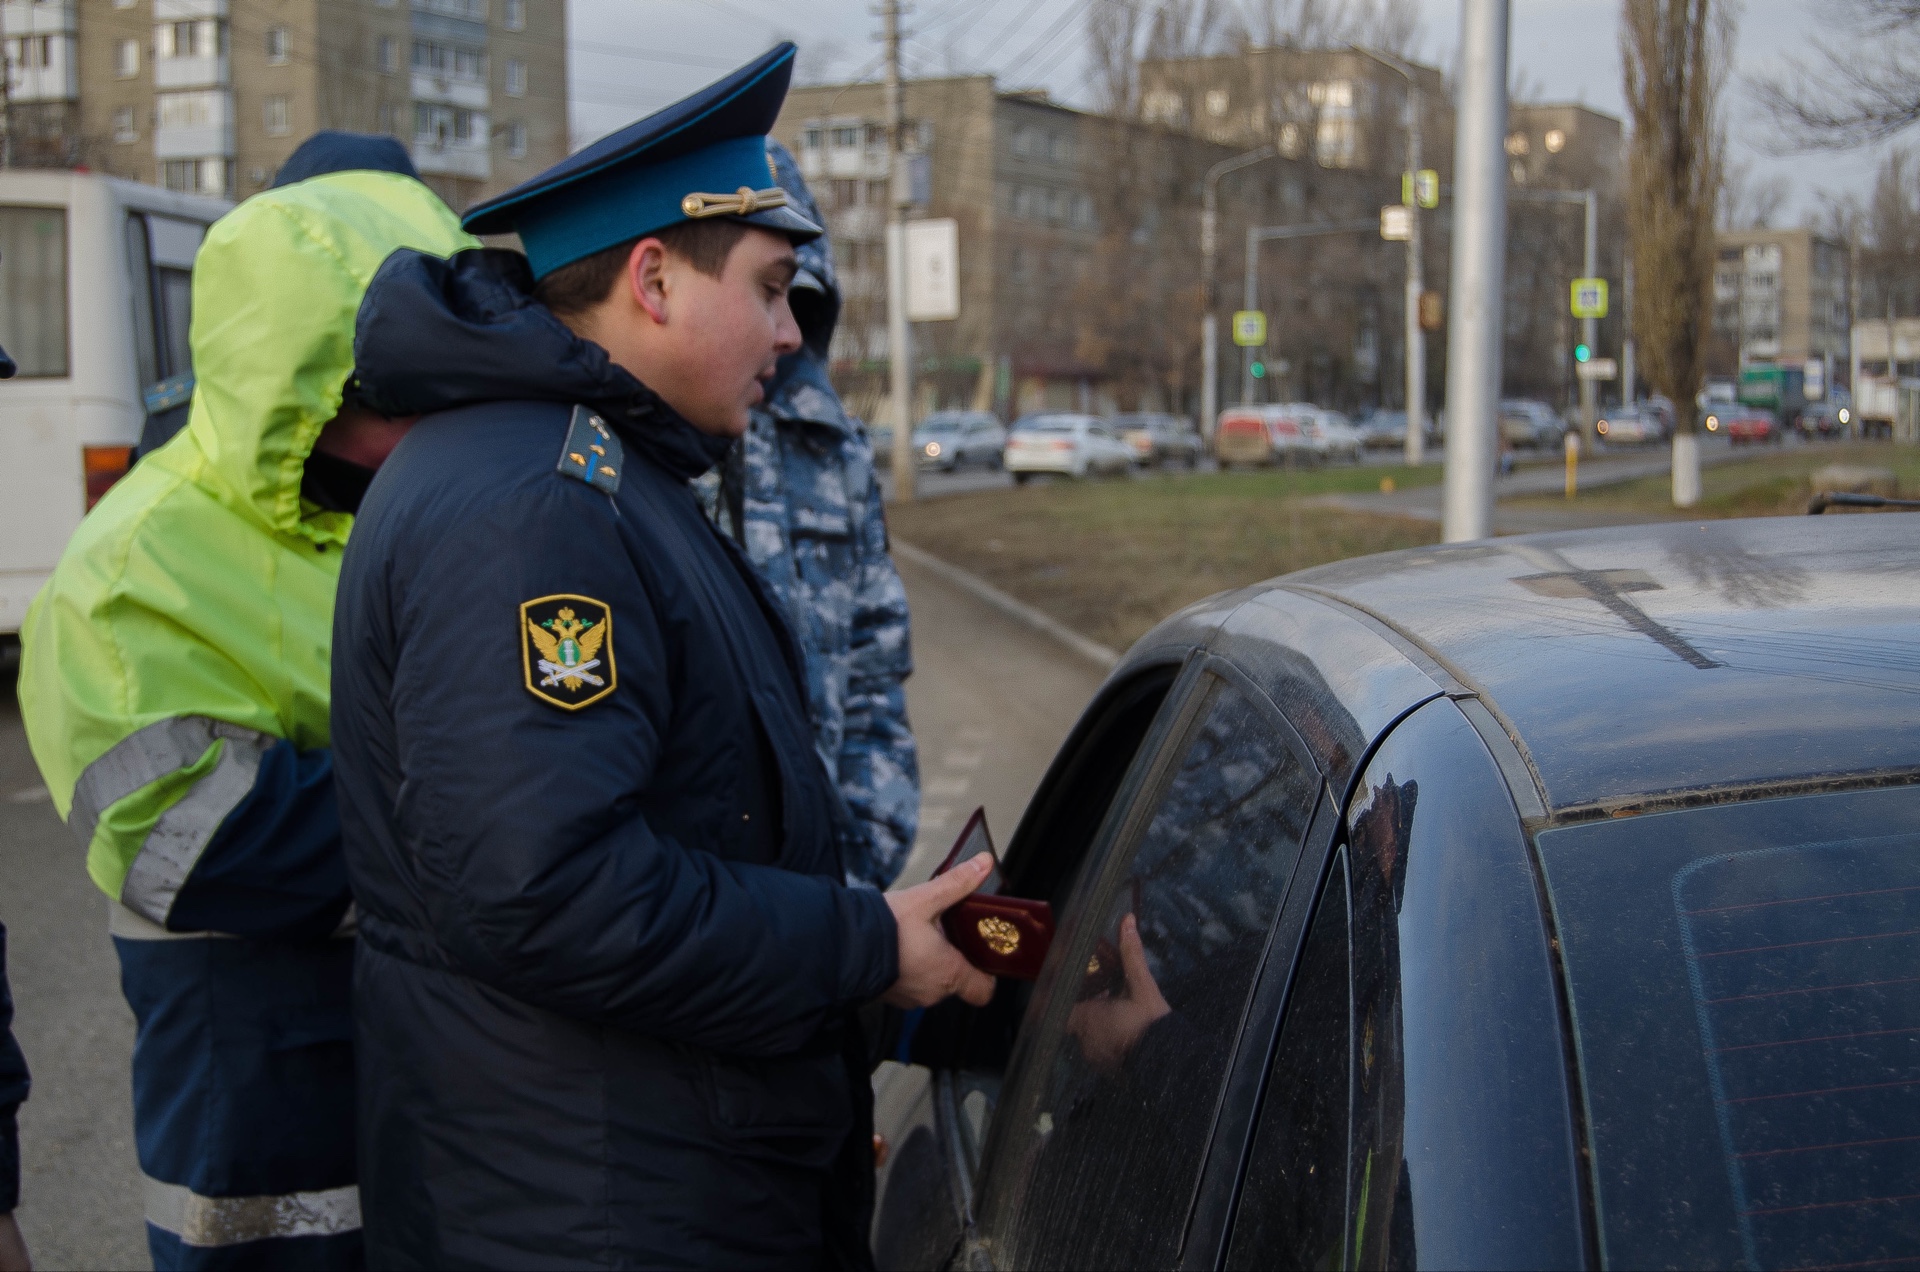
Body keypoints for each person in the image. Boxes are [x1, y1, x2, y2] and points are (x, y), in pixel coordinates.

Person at [331, 42, 992, 1268]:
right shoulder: (538, 502)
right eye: (773, 287)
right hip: (597, 1210)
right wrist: (861, 945)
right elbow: (553, 892)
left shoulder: (588, 468)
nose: (794, 335)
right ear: (653, 279)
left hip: (621, 1179)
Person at [17, 134, 474, 1269]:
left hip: (434, 1059)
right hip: (261, 1073)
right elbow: (194, 841)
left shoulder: (408, 492)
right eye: (391, 396)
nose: (421, 428)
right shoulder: (135, 563)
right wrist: (493, 822)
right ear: (305, 369)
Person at [693, 138, 918, 890]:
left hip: (832, 896)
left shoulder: (834, 453)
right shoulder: (643, 448)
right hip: (701, 920)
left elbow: (876, 675)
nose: (782, 330)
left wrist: (858, 875)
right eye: (764, 291)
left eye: (796, 293)